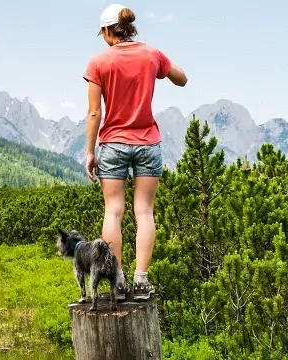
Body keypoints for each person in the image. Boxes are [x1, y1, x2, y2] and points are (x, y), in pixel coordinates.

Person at [82, 3, 188, 301]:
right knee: (144, 211)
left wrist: (90, 152)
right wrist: (163, 69)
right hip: (147, 143)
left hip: (113, 144)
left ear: (106, 31)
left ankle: (118, 280)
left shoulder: (98, 63)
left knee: (113, 211)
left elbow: (94, 113)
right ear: (129, 28)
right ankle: (142, 281)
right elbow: (182, 78)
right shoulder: (152, 54)